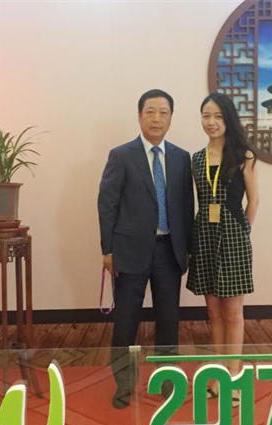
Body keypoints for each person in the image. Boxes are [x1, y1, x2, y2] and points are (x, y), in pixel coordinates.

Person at [98, 89, 194, 408]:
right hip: (129, 251)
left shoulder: (181, 157)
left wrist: (187, 247)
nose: (156, 119)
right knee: (126, 322)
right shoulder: (121, 155)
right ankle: (124, 386)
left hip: (169, 251)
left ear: (171, 118)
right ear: (139, 116)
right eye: (150, 112)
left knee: (169, 322)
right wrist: (108, 250)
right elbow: (107, 205)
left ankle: (168, 384)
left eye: (163, 113)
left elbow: (186, 206)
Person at [186, 92, 259, 401]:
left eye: (217, 116)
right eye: (206, 116)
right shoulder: (196, 159)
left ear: (228, 119)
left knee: (233, 313)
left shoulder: (244, 155)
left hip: (232, 236)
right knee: (213, 313)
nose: (211, 122)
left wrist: (242, 232)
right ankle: (218, 376)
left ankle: (234, 377)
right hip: (204, 234)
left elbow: (253, 201)